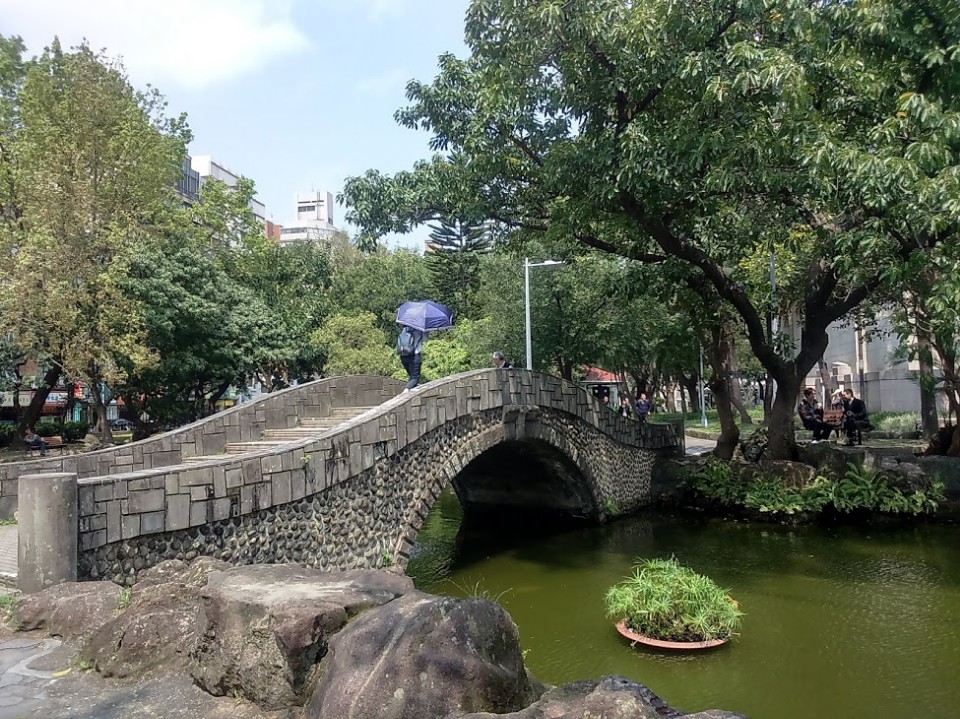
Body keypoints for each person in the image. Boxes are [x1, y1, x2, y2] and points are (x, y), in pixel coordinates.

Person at [396, 325, 425, 391]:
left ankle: (412, 388)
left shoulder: (405, 329)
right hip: (414, 356)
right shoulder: (420, 329)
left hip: (403, 355)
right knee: (415, 378)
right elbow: (425, 339)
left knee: (411, 376)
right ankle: (406, 389)